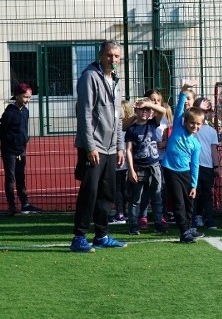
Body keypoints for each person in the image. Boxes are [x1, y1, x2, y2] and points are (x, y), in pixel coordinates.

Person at [70, 40, 127, 253]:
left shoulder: (116, 81)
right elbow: (84, 114)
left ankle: (101, 235)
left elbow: (118, 117)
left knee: (107, 193)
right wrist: (90, 146)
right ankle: (79, 237)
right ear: (101, 56)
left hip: (111, 148)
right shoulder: (89, 77)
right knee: (90, 192)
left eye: (117, 57)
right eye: (109, 56)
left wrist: (120, 145)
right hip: (93, 147)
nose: (113, 60)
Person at [161, 81, 204, 243]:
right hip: (170, 170)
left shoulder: (196, 145)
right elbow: (179, 108)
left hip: (185, 173)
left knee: (188, 201)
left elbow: (195, 166)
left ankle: (188, 226)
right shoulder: (178, 128)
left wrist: (193, 185)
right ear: (184, 122)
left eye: (198, 124)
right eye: (192, 123)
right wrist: (184, 92)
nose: (194, 126)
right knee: (178, 202)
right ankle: (183, 231)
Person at [124, 98, 167, 235]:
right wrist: (131, 170)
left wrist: (148, 104)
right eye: (141, 109)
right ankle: (133, 225)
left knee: (156, 196)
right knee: (135, 198)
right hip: (139, 167)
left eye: (147, 110)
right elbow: (129, 150)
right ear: (136, 110)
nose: (144, 112)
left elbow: (163, 111)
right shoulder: (132, 129)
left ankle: (158, 223)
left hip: (154, 166)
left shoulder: (153, 123)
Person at [0, 83, 40, 216]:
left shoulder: (26, 111)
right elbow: (2, 131)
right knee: (10, 178)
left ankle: (25, 203)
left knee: (21, 177)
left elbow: (23, 129)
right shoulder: (9, 113)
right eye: (25, 97)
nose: (27, 100)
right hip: (9, 151)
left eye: (29, 97)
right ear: (16, 96)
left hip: (21, 149)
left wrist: (24, 140)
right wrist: (10, 145)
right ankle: (11, 205)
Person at [191, 97, 220, 230]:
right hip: (193, 166)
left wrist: (216, 166)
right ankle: (196, 217)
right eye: (201, 110)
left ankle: (209, 218)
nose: (205, 113)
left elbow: (214, 150)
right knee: (195, 193)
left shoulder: (212, 131)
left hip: (208, 167)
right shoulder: (192, 126)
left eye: (207, 111)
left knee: (207, 194)